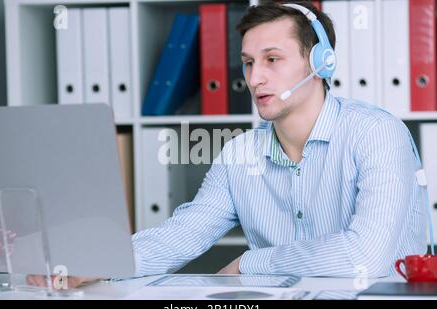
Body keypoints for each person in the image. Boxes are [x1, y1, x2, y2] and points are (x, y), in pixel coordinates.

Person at [28, 0, 427, 288]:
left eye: (273, 59)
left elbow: (365, 257)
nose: (254, 79)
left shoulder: (376, 133)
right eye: (249, 62)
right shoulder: (240, 154)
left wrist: (250, 263)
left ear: (320, 63)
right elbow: (182, 235)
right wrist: (97, 262)